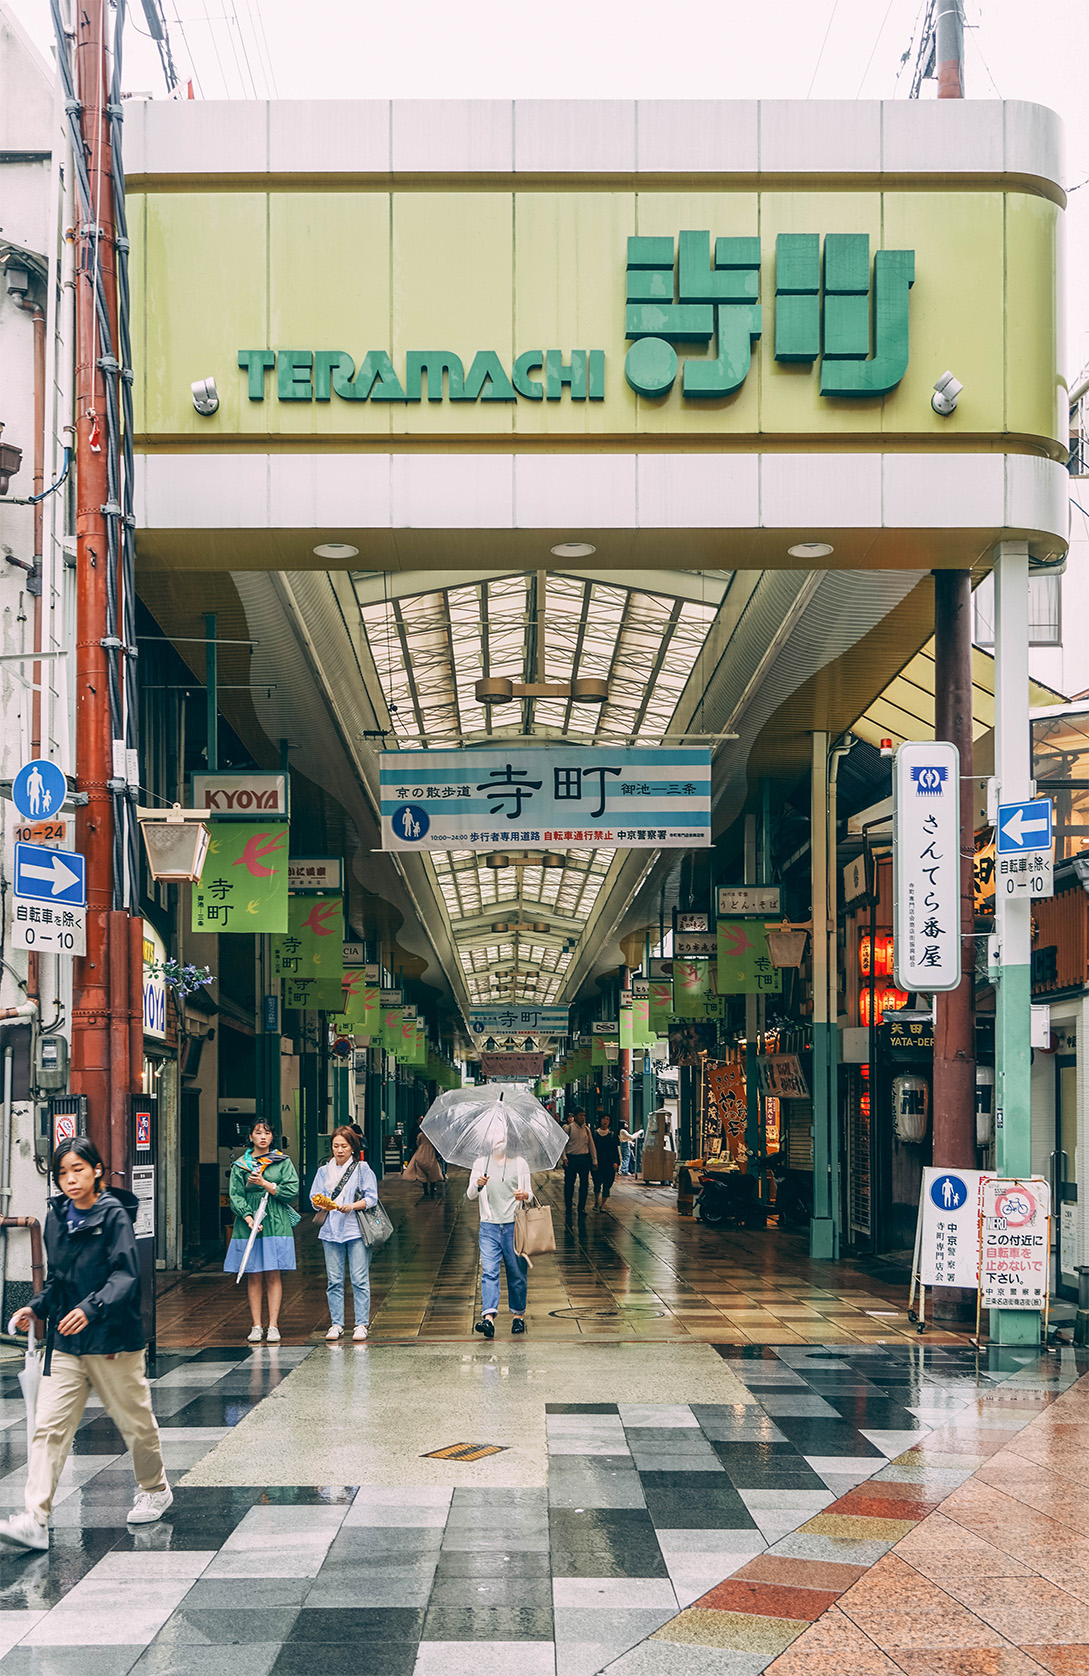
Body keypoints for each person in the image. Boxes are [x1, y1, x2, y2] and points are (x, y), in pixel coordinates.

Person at [0, 1138, 171, 1552]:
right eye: (62, 1173)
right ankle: (35, 1519)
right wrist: (36, 1308)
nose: (70, 1179)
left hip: (113, 1342)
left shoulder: (114, 1215)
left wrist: (90, 1309)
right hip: (67, 1345)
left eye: (78, 1169)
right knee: (49, 1428)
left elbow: (125, 1276)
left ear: (97, 1170)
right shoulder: (56, 1216)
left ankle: (155, 1489)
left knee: (136, 1425)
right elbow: (58, 1280)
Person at [224, 1119, 300, 1342]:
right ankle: (256, 1325)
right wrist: (248, 1218)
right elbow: (235, 1195)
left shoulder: (282, 1161)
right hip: (249, 1222)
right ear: (250, 1137)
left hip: (275, 1220)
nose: (263, 1137)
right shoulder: (241, 1165)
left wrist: (266, 1184)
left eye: (267, 1133)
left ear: (272, 1137)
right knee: (254, 1273)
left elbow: (292, 1190)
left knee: (274, 1272)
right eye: (258, 1133)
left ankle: (273, 1325)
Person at [310, 1125, 378, 1342]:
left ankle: (361, 1324)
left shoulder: (362, 1170)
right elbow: (314, 1197)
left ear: (353, 1148)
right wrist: (321, 1203)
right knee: (334, 1280)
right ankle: (336, 1324)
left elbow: (372, 1198)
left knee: (359, 1278)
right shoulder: (323, 1171)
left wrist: (352, 1206)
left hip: (356, 1230)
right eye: (336, 1146)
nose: (339, 1150)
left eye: (344, 1146)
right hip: (330, 1231)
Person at [467, 1131, 531, 1338]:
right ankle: (488, 1318)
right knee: (489, 1272)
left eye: (502, 1136)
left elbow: (530, 1195)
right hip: (489, 1227)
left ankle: (518, 1316)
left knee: (517, 1272)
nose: (499, 1140)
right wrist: (478, 1184)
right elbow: (470, 1194)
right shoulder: (480, 1163)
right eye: (495, 1136)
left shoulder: (520, 1164)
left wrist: (525, 1195)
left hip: (514, 1226)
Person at [562, 1108, 597, 1217]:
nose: (583, 1117)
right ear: (575, 1116)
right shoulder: (568, 1128)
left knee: (584, 1185)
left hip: (584, 1159)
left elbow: (591, 1145)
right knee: (569, 1184)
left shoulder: (586, 1129)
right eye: (581, 1115)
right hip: (571, 1159)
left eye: (584, 1115)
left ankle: (581, 1207)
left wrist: (594, 1160)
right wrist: (564, 1158)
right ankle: (568, 1207)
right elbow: (562, 1144)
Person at [402, 1130, 443, 1198]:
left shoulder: (420, 1135)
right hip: (431, 1153)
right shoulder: (432, 1135)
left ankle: (425, 1189)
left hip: (421, 1152)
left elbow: (417, 1143)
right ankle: (432, 1188)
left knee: (422, 1173)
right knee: (433, 1172)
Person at [592, 1118, 621, 1208]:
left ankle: (603, 1204)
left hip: (609, 1163)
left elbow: (616, 1150)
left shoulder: (612, 1135)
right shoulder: (594, 1134)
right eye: (603, 1119)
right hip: (598, 1162)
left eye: (608, 1119)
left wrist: (616, 1162)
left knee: (607, 1183)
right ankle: (597, 1201)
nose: (605, 1121)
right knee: (597, 1182)